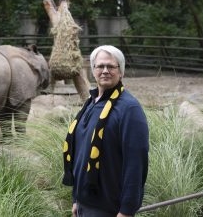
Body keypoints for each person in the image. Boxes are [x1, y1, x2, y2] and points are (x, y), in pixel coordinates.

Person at [62, 45, 149, 217]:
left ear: (121, 71)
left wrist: (127, 210)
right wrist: (76, 200)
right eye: (100, 66)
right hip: (84, 203)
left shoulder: (129, 108)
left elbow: (136, 162)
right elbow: (80, 153)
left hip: (109, 208)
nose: (105, 71)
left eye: (111, 66)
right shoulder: (91, 103)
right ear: (93, 70)